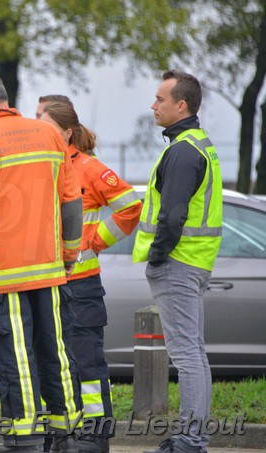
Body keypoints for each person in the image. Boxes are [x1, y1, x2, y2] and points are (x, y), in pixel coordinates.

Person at [0, 76, 84, 453]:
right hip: (50, 269)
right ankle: (66, 435)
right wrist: (69, 254)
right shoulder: (48, 135)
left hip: (2, 273)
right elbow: (71, 200)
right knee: (56, 350)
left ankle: (23, 438)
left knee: (14, 356)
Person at [38, 100, 143, 453]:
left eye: (44, 121)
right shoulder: (39, 167)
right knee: (55, 363)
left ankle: (95, 435)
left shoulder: (88, 168)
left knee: (87, 363)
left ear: (66, 131)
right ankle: (61, 432)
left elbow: (130, 207)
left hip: (81, 284)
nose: (37, 125)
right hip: (47, 282)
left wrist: (96, 241)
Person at [133, 70, 222, 453]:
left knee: (186, 354)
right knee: (195, 353)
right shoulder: (199, 144)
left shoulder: (183, 150)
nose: (153, 105)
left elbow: (172, 215)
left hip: (178, 262)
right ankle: (194, 437)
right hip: (193, 262)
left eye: (160, 99)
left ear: (180, 105)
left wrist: (157, 256)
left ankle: (190, 439)